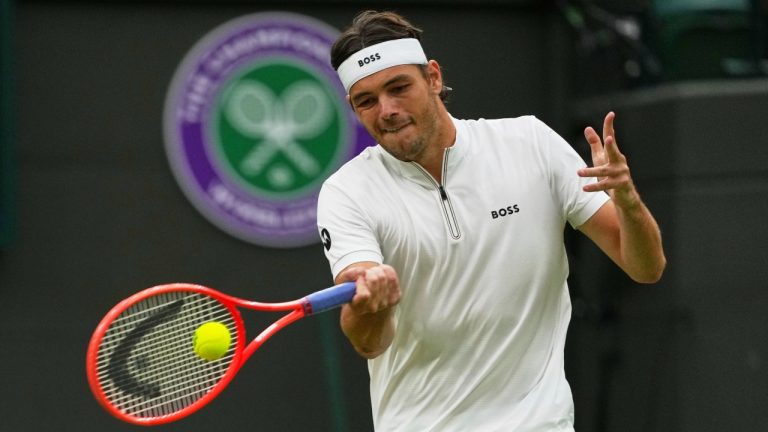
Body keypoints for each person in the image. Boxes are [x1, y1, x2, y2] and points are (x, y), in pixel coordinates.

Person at [317, 10, 666, 432]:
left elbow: (645, 267)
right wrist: (373, 304)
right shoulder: (347, 192)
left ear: (432, 77)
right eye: (367, 100)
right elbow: (370, 342)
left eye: (398, 88)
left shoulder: (531, 144)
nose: (387, 110)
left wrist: (627, 202)